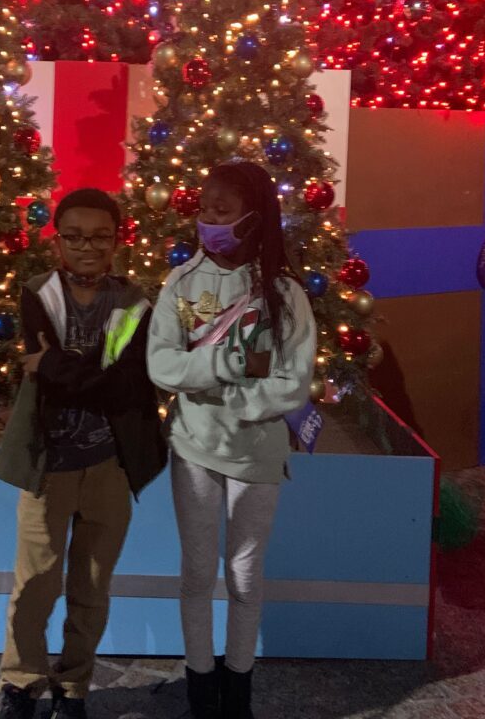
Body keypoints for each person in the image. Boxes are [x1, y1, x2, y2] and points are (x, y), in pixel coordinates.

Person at [147, 161, 316, 719]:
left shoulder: (286, 294)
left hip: (258, 454)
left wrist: (240, 402)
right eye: (203, 209)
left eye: (222, 211)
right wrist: (225, 365)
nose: (208, 221)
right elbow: (161, 363)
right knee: (197, 571)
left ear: (254, 217)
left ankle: (237, 684)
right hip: (193, 449)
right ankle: (200, 682)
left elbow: (292, 381)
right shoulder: (180, 282)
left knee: (245, 575)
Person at [0, 188, 167, 719]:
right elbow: (92, 383)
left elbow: (125, 387)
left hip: (109, 465)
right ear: (58, 241)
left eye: (100, 236)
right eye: (74, 236)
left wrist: (52, 366)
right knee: (35, 585)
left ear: (117, 240)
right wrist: (83, 375)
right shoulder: (37, 294)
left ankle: (74, 685)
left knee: (91, 583)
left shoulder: (134, 304)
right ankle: (20, 684)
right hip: (50, 465)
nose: (87, 247)